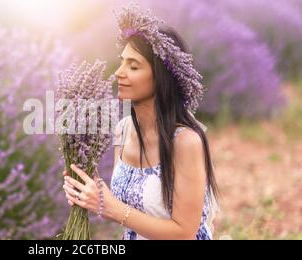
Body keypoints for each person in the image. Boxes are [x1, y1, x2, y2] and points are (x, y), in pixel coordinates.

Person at [62, 3, 219, 240]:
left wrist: (112, 209)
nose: (118, 73)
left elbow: (184, 233)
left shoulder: (186, 142)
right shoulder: (123, 130)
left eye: (133, 66)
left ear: (160, 78)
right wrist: (88, 193)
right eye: (122, 61)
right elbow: (124, 207)